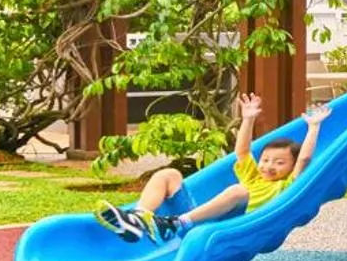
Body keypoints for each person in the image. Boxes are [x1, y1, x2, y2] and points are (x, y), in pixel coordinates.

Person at [94, 93, 329, 244]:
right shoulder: (253, 175)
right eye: (266, 160)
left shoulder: (287, 185)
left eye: (279, 163)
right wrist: (247, 119)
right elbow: (243, 152)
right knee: (169, 174)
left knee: (238, 191)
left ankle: (175, 224)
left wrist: (314, 128)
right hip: (201, 214)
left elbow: (305, 159)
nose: (269, 166)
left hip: (232, 222)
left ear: (290, 168)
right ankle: (140, 217)